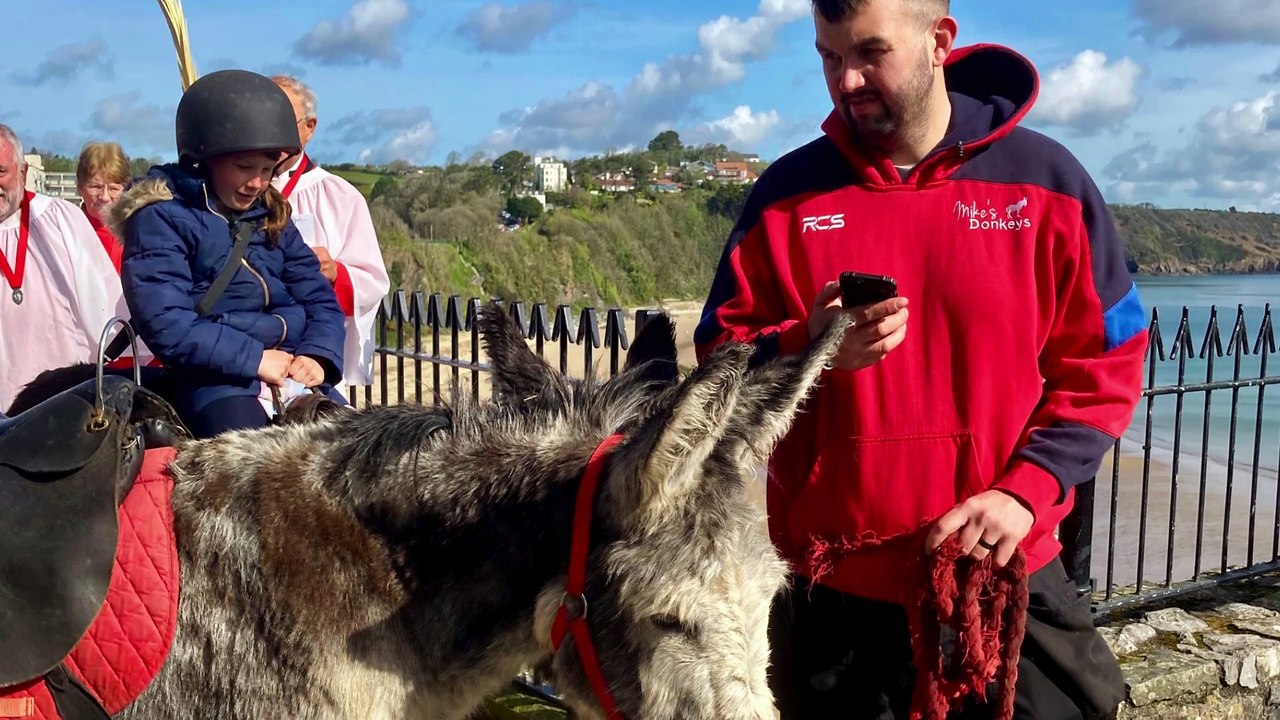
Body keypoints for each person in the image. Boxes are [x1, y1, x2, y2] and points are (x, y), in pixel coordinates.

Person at [693, 1, 1148, 718]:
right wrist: (807, 349)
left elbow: (1110, 359)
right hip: (833, 602)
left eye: (871, 51)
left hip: (1004, 581)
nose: (846, 80)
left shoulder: (1049, 182)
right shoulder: (784, 197)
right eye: (828, 56)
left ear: (939, 41)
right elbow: (716, 364)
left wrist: (1025, 491)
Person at [116, 69, 346, 439]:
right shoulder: (160, 218)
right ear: (204, 159)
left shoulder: (272, 216)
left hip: (291, 370)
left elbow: (317, 296)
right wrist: (254, 359)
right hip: (214, 380)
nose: (257, 183)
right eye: (244, 167)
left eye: (268, 170)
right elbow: (167, 322)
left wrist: (319, 354)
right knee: (256, 475)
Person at [269, 74, 389, 396]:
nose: (270, 132)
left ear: (310, 127)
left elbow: (374, 281)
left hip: (312, 352)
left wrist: (336, 273)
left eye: (283, 121)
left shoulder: (339, 196)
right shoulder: (231, 188)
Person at [0, 123, 130, 412]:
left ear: (22, 172)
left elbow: (104, 305)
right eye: (96, 186)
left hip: (61, 395)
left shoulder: (59, 219)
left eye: (0, 172)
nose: (105, 196)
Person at [76, 140, 131, 273]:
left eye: (113, 188)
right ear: (79, 188)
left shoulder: (135, 230)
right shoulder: (67, 232)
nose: (105, 197)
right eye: (96, 187)